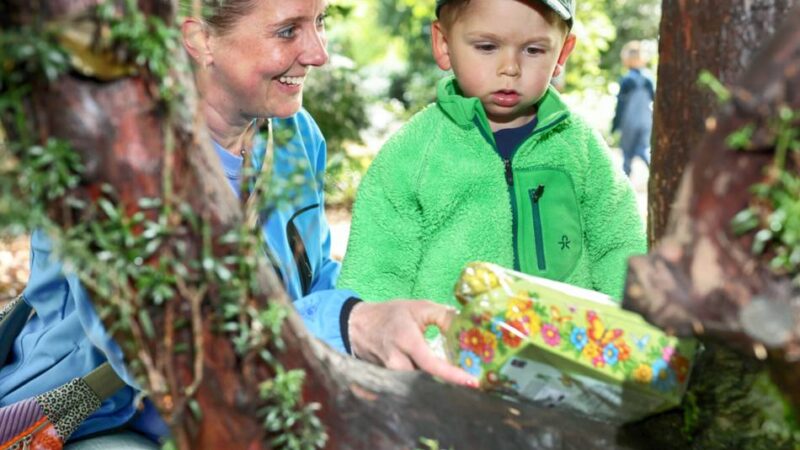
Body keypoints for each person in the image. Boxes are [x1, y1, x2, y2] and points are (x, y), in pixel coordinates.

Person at [0, 0, 476, 447]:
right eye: (288, 30)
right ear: (200, 38)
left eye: (320, 21)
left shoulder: (294, 135)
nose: (319, 53)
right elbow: (171, 354)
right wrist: (351, 325)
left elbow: (308, 280)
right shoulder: (118, 158)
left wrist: (385, 326)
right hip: (96, 420)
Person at [340, 0, 646, 315]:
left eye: (534, 50)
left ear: (562, 54)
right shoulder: (411, 154)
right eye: (487, 47)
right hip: (444, 355)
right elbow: (376, 268)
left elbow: (619, 244)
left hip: (569, 353)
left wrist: (637, 330)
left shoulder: (581, 148)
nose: (510, 68)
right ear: (444, 44)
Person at [611, 40, 655, 177]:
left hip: (629, 122)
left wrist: (615, 125)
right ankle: (655, 174)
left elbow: (621, 105)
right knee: (644, 149)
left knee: (627, 154)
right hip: (646, 120)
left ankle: (626, 184)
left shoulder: (627, 80)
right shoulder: (649, 79)